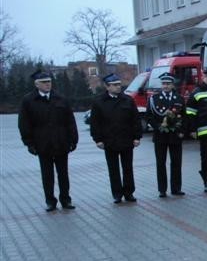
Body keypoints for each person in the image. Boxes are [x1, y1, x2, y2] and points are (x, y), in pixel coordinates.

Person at [18, 70, 79, 212]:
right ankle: (50, 201)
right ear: (36, 84)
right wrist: (29, 143)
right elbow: (24, 124)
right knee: (47, 175)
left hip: (61, 142)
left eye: (49, 82)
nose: (47, 85)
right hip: (42, 143)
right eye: (44, 82)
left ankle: (66, 199)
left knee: (63, 174)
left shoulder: (60, 99)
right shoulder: (28, 101)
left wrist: (73, 139)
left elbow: (70, 121)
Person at [90, 73, 142, 204]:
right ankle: (117, 193)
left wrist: (137, 137)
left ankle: (129, 192)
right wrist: (98, 139)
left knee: (128, 168)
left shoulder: (127, 100)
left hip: (126, 139)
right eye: (115, 85)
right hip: (109, 141)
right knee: (113, 169)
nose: (118, 87)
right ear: (107, 87)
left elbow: (135, 120)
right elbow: (95, 123)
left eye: (119, 84)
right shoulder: (99, 102)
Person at [146, 72, 185, 197]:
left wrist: (182, 131)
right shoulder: (154, 99)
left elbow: (184, 116)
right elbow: (149, 116)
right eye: (163, 84)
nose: (166, 86)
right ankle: (162, 190)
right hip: (160, 135)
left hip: (175, 135)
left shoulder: (179, 98)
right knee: (161, 163)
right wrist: (158, 126)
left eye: (168, 84)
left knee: (176, 162)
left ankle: (176, 188)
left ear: (173, 85)